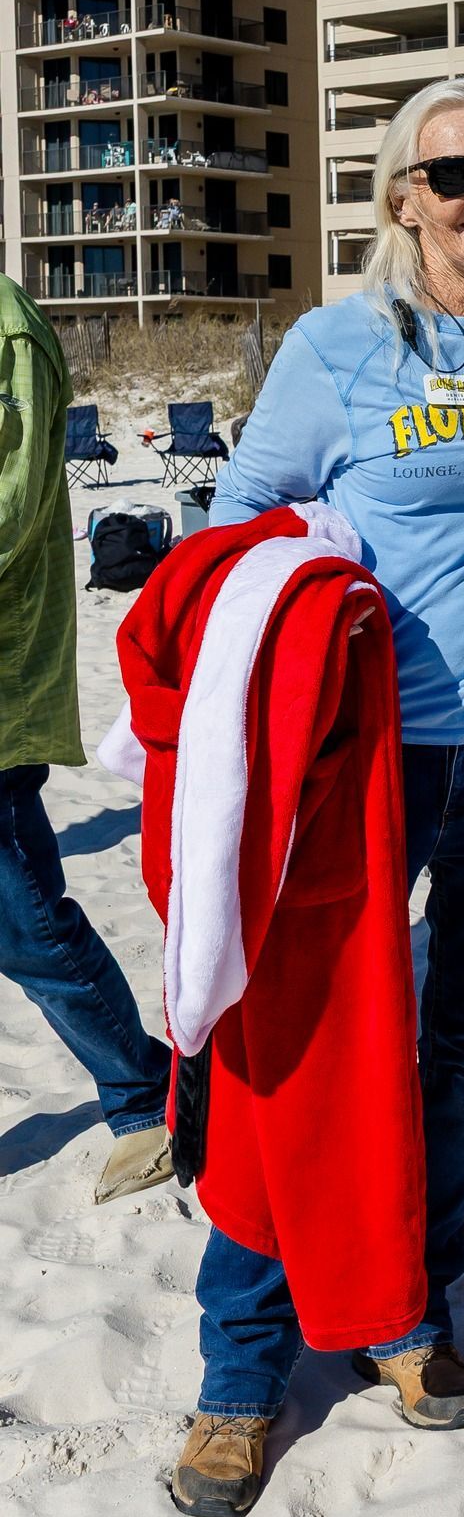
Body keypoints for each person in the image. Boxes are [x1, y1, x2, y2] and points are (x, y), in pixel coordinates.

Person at [167, 76, 464, 1517]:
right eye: (452, 171)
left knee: (463, 1050)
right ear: (402, 193)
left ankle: (406, 1312)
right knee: (296, 1054)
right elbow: (237, 524)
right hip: (360, 763)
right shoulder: (335, 348)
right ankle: (240, 1368)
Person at [0, 270, 173, 1207]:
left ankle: (142, 1094)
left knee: (22, 921)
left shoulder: (9, 332)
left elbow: (13, 506)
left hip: (1, 687)